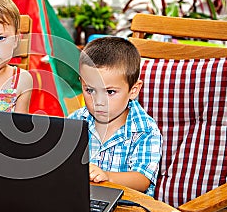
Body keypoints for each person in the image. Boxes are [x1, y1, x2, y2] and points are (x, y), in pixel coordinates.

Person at [69, 37, 162, 197]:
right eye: (90, 90)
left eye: (110, 92)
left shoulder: (144, 130)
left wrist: (108, 177)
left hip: (129, 209)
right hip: (81, 202)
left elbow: (142, 179)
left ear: (133, 90)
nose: (99, 102)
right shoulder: (75, 121)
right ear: (81, 83)